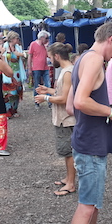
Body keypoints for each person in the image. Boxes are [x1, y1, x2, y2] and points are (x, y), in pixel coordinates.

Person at [70, 21, 112, 224]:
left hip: (86, 139)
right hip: (91, 145)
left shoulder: (82, 59)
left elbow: (70, 104)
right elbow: (79, 101)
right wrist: (111, 113)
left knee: (92, 205)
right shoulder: (94, 59)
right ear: (111, 39)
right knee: (86, 207)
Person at [35, 42, 76, 196]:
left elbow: (64, 98)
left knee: (69, 152)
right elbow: (62, 93)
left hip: (66, 119)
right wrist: (49, 90)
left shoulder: (67, 72)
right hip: (64, 118)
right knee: (66, 151)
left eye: (50, 58)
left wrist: (45, 97)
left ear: (57, 56)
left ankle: (71, 183)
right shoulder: (68, 70)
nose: (50, 61)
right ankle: (68, 178)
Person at [2, 31, 25, 118]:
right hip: (8, 72)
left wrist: (21, 54)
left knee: (17, 92)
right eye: (16, 38)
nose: (18, 40)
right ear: (12, 39)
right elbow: (2, 57)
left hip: (17, 72)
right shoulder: (4, 47)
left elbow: (23, 56)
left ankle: (14, 110)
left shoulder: (18, 48)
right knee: (8, 93)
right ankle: (8, 111)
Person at [28, 30, 51, 109]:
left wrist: (47, 47)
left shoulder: (45, 46)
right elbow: (30, 56)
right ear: (42, 38)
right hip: (36, 68)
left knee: (48, 84)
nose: (47, 40)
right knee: (37, 85)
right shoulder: (33, 44)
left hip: (45, 67)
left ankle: (50, 102)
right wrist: (29, 68)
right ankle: (36, 102)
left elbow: (48, 55)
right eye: (46, 38)